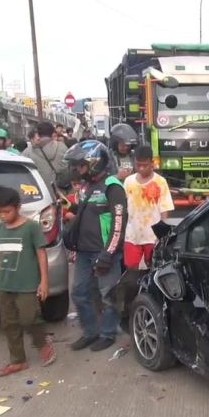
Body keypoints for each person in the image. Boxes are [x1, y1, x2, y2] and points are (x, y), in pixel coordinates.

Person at [0, 186, 56, 377]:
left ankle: (42, 343)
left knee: (29, 318)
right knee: (9, 323)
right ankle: (18, 360)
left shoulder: (31, 227)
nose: (3, 216)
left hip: (27, 285)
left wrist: (44, 281)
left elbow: (41, 254)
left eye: (7, 211)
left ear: (18, 207)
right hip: (6, 285)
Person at [64, 140, 127, 352]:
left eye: (81, 165)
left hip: (104, 253)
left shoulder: (113, 187)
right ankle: (90, 332)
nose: (77, 169)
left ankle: (108, 333)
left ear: (95, 163)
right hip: (84, 252)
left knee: (108, 296)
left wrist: (108, 254)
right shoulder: (86, 187)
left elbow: (119, 223)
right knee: (80, 293)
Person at [123, 146, 174, 270]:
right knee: (130, 270)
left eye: (144, 165)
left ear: (152, 163)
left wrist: (161, 236)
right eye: (138, 165)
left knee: (154, 268)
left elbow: (165, 208)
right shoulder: (129, 181)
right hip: (132, 235)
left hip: (152, 236)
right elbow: (123, 207)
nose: (141, 168)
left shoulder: (160, 182)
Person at [23, 121, 68, 188]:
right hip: (60, 192)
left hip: (39, 192)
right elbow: (67, 168)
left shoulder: (28, 152)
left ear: (38, 133)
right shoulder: (63, 148)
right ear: (52, 133)